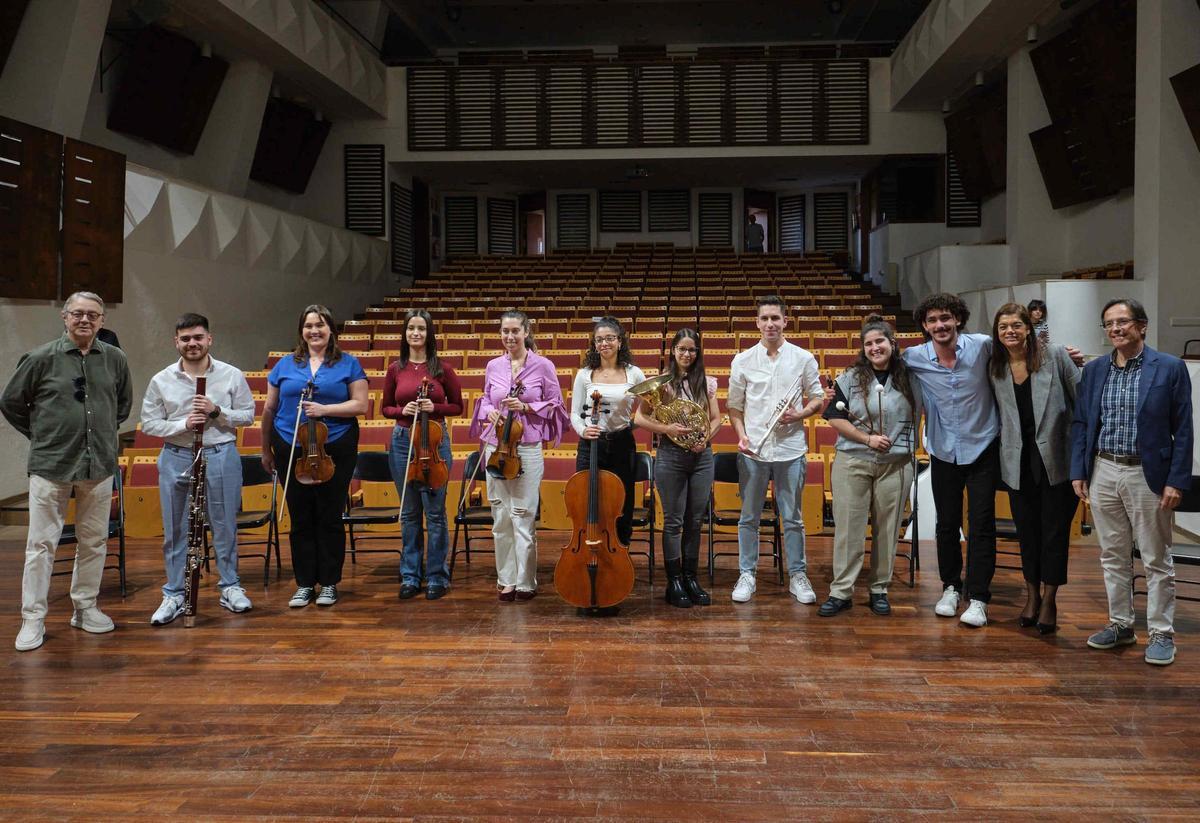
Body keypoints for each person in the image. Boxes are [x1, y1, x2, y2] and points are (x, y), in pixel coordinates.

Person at [2, 292, 132, 652]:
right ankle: (33, 618)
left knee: (94, 540)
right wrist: (42, 434)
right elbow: (11, 402)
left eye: (92, 315)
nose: (85, 320)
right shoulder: (41, 358)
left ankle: (85, 607)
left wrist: (100, 435)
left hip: (99, 465)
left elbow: (122, 405)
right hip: (51, 464)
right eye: (78, 314)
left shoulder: (115, 359)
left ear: (102, 320)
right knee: (40, 544)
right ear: (64, 317)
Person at [1071, 298, 1193, 666]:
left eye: (1123, 321)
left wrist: (1176, 480)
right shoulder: (1094, 371)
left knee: (1156, 558)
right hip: (1104, 469)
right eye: (1108, 324)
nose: (1115, 329)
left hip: (1148, 474)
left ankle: (1161, 632)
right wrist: (1079, 470)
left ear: (1142, 326)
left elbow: (1184, 429)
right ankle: (1121, 624)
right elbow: (1081, 424)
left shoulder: (1169, 368)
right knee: (1112, 555)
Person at [141, 313, 256, 625]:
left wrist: (217, 411)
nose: (192, 343)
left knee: (224, 524)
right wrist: (183, 423)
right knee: (175, 527)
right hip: (176, 453)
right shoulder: (161, 380)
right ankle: (175, 593)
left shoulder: (231, 375)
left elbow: (247, 415)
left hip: (220, 452)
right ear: (176, 342)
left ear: (209, 339)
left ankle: (230, 586)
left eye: (198, 337)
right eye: (185, 338)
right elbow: (149, 422)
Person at [901, 293, 1001, 628]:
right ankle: (950, 587)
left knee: (982, 523)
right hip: (943, 449)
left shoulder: (983, 345)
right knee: (947, 523)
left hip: (983, 446)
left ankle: (979, 597)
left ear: (958, 318)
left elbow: (1021, 352)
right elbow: (878, 365)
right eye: (932, 321)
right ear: (925, 327)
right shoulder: (914, 356)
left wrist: (1064, 355)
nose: (940, 325)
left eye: (945, 318)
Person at [262, 305, 369, 609]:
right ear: (301, 331)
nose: (314, 331)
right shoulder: (285, 365)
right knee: (300, 515)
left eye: (320, 325)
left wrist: (325, 410)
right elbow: (269, 409)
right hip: (289, 444)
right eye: (309, 326)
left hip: (335, 445)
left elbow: (360, 405)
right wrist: (264, 448)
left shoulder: (348, 363)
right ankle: (305, 582)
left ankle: (330, 583)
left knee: (329, 514)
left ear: (331, 329)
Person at [820, 315, 922, 617]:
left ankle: (879, 588)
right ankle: (841, 591)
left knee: (887, 529)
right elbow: (834, 416)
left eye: (880, 341)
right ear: (863, 349)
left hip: (897, 463)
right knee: (849, 529)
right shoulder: (850, 377)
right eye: (868, 344)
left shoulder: (912, 376)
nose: (874, 347)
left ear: (892, 343)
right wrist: (867, 439)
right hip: (853, 460)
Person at [728, 295, 825, 605]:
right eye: (765, 318)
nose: (770, 323)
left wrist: (799, 414)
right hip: (753, 450)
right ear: (757, 323)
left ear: (785, 321)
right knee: (749, 517)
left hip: (791, 450)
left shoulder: (803, 359)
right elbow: (734, 407)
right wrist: (741, 436)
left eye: (775, 318)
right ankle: (747, 574)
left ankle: (798, 575)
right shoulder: (742, 361)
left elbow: (818, 398)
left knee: (793, 518)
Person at [989, 303, 1080, 635]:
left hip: (1057, 460)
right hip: (1018, 463)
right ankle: (1031, 595)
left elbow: (1081, 402)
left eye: (1016, 325)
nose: (1010, 331)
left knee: (1054, 534)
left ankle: (1050, 600)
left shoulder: (1056, 356)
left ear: (1029, 328)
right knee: (1027, 533)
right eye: (1003, 327)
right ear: (996, 334)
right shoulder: (995, 367)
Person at [469, 310, 569, 601]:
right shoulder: (493, 366)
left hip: (527, 446)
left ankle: (526, 580)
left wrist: (528, 408)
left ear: (526, 332)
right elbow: (486, 399)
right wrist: (489, 411)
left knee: (523, 514)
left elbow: (556, 405)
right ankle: (506, 579)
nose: (509, 337)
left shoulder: (543, 366)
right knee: (500, 515)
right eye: (505, 331)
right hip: (496, 445)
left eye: (515, 331)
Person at [634, 329, 723, 608]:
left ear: (698, 353)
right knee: (673, 521)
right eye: (682, 349)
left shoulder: (706, 383)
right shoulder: (662, 384)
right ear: (673, 351)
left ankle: (690, 577)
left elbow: (717, 418)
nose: (687, 354)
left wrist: (704, 438)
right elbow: (639, 417)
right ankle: (673, 582)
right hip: (671, 455)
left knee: (695, 520)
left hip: (701, 456)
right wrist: (666, 428)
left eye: (692, 350)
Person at [383, 309, 462, 601]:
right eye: (411, 328)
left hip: (436, 441)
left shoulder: (443, 368)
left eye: (421, 329)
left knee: (436, 513)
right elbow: (385, 408)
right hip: (403, 441)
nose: (416, 333)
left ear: (430, 334)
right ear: (405, 334)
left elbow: (457, 406)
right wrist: (402, 411)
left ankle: (437, 576)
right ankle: (410, 576)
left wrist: (434, 408)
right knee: (410, 513)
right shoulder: (395, 369)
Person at [570, 317, 646, 548]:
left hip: (622, 444)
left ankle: (620, 552)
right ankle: (588, 551)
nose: (605, 343)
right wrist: (584, 430)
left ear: (620, 342)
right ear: (594, 344)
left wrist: (627, 426)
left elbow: (648, 408)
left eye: (610, 338)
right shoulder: (585, 374)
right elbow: (574, 413)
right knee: (587, 502)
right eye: (599, 339)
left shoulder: (634, 373)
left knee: (622, 505)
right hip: (590, 444)